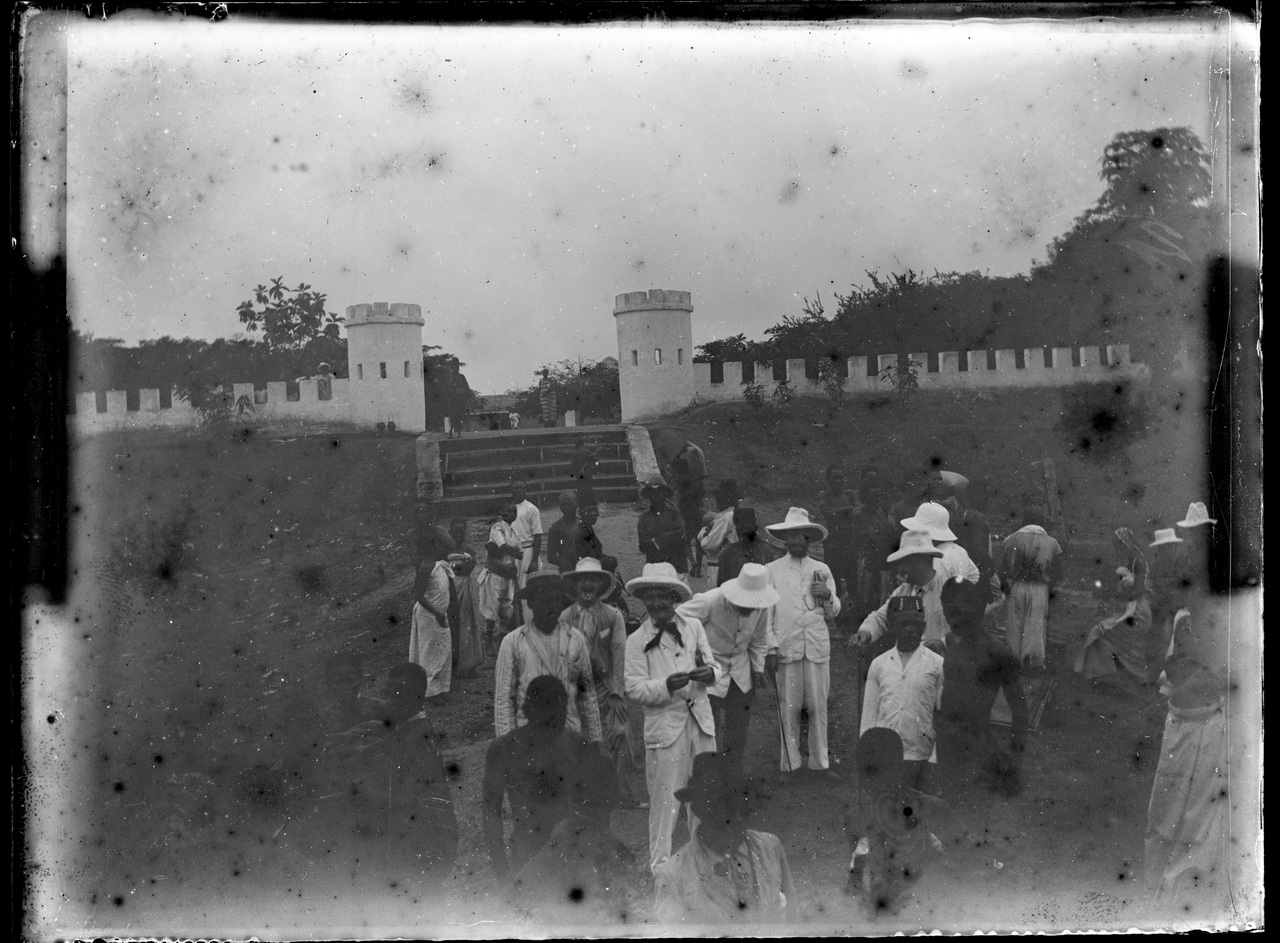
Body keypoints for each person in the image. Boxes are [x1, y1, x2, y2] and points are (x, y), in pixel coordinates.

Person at [327, 663, 459, 892]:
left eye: (394, 696)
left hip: (420, 852)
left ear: (413, 699)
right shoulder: (410, 728)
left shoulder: (416, 741)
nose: (386, 703)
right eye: (386, 694)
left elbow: (405, 801)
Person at [624, 562, 720, 871]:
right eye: (649, 597)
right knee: (665, 802)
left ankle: (703, 862)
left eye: (661, 596)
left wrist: (710, 673)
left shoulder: (693, 626)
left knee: (705, 795)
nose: (656, 603)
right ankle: (660, 869)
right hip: (665, 727)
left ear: (673, 597)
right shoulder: (637, 640)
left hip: (699, 720)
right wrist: (664, 686)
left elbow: (714, 665)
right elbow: (635, 689)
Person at [1144, 594, 1233, 912]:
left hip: (1210, 724)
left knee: (1198, 814)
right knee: (1166, 808)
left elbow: (1231, 677)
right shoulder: (1184, 619)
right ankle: (1158, 889)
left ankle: (1181, 891)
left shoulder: (1231, 623)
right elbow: (1171, 673)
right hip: (1183, 723)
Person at [482, 675, 617, 882]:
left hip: (572, 858)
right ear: (528, 711)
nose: (553, 722)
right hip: (528, 858)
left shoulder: (579, 746)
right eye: (546, 714)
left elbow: (598, 812)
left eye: (559, 712)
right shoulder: (504, 750)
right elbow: (491, 814)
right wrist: (502, 874)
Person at [653, 751, 796, 926]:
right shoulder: (674, 875)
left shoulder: (770, 847)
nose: (740, 817)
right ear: (703, 810)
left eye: (743, 804)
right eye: (727, 808)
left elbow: (794, 922)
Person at [676, 562, 780, 780]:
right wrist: (692, 651)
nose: (749, 608)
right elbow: (677, 620)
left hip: (740, 672)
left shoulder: (762, 607)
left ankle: (732, 776)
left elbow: (760, 640)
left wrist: (758, 668)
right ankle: (703, 777)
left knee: (738, 729)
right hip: (709, 670)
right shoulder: (711, 601)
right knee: (707, 727)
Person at [936, 578, 1028, 817]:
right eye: (948, 613)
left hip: (978, 745)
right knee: (945, 814)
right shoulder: (946, 644)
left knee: (975, 817)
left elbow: (1019, 709)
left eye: (959, 613)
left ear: (977, 610)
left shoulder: (996, 652)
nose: (952, 619)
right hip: (944, 743)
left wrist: (1016, 756)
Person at [764, 507, 841, 776]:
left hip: (817, 647)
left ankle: (820, 763)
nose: (796, 541)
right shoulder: (771, 570)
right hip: (787, 646)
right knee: (790, 707)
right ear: (785, 539)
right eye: (791, 536)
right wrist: (771, 648)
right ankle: (790, 764)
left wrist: (828, 595)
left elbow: (834, 611)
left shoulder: (821, 569)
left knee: (818, 706)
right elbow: (767, 614)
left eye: (801, 536)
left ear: (809, 538)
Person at [844, 727, 951, 918]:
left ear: (899, 767)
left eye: (876, 771)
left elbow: (963, 870)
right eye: (865, 770)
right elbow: (855, 885)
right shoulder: (856, 818)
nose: (869, 781)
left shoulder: (933, 809)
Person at [559, 558, 638, 805]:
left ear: (600, 585)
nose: (587, 585)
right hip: (577, 687)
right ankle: (581, 794)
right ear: (575, 585)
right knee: (577, 739)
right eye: (582, 579)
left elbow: (619, 653)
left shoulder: (613, 615)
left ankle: (620, 793)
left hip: (606, 686)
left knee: (621, 733)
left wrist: (617, 691)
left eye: (592, 580)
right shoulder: (565, 616)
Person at [494, 570, 603, 742]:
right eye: (544, 601)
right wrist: (506, 745)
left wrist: (594, 740)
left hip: (569, 735)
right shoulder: (513, 642)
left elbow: (587, 695)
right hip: (529, 739)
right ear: (530, 603)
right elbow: (504, 699)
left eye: (555, 600)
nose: (551, 606)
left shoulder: (575, 639)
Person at [860, 597, 945, 794]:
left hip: (921, 757)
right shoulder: (879, 665)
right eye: (903, 624)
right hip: (886, 756)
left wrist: (933, 758)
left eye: (915, 625)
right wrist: (867, 755)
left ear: (923, 626)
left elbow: (943, 717)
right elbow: (869, 717)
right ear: (892, 627)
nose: (909, 630)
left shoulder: (937, 665)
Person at [1074, 527, 1155, 686]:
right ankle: (1103, 675)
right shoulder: (1129, 561)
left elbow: (1137, 592)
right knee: (1101, 634)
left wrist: (1111, 595)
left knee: (1099, 631)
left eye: (1118, 546)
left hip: (1139, 612)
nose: (1116, 550)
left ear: (1125, 544)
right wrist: (1106, 593)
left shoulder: (1138, 561)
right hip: (1131, 609)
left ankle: (1103, 676)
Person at [850, 530, 948, 654]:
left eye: (906, 561)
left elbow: (965, 631)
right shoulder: (903, 591)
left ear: (921, 561)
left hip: (938, 667)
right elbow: (881, 617)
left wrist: (943, 643)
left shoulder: (948, 591)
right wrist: (866, 632)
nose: (902, 567)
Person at [997, 510, 1063, 672]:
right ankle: (1032, 665)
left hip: (1018, 586)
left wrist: (1005, 587)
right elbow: (1058, 572)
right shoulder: (1052, 543)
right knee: (1035, 625)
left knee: (1015, 624)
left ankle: (1014, 661)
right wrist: (1050, 590)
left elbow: (1003, 569)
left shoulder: (1013, 539)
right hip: (1040, 588)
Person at [409, 526, 458, 701]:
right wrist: (436, 612)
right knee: (430, 652)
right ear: (428, 548)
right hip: (429, 615)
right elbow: (419, 596)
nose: (440, 548)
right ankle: (430, 691)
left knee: (443, 650)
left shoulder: (440, 565)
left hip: (440, 613)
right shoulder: (426, 567)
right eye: (435, 546)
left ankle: (441, 688)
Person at [477, 503, 521, 655]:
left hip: (508, 574)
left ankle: (501, 640)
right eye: (508, 511)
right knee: (492, 607)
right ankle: (488, 641)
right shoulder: (497, 528)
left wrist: (513, 561)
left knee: (506, 608)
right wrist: (513, 553)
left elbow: (519, 552)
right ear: (502, 513)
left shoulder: (514, 532)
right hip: (496, 572)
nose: (512, 514)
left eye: (514, 512)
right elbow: (502, 547)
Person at [901, 501, 980, 584]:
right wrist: (962, 593)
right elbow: (974, 575)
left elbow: (934, 592)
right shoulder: (959, 550)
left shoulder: (934, 559)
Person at [447, 518, 485, 679]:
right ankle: (454, 666)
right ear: (450, 533)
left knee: (468, 623)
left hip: (465, 586)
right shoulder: (444, 549)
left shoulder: (468, 549)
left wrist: (455, 566)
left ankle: (469, 665)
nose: (458, 535)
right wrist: (459, 565)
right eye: (455, 532)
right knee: (452, 624)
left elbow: (469, 568)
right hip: (450, 587)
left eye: (461, 532)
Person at [321, 652, 384, 734]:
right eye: (338, 682)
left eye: (351, 680)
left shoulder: (378, 707)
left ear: (360, 679)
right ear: (329, 684)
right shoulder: (324, 717)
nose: (346, 687)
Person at [715, 507, 778, 587]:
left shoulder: (766, 551)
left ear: (755, 527)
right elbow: (721, 586)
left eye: (748, 528)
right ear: (736, 529)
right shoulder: (728, 553)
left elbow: (772, 582)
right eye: (740, 529)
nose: (744, 531)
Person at [670, 441, 708, 572]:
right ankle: (698, 566)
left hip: (684, 512)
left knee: (685, 541)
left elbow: (672, 463)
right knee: (698, 540)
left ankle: (692, 563)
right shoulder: (695, 482)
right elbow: (702, 495)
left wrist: (681, 451)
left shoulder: (678, 483)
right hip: (696, 511)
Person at [637, 481, 688, 575]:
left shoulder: (674, 513)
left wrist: (656, 542)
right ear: (649, 496)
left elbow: (679, 532)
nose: (656, 497)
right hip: (655, 564)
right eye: (652, 494)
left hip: (676, 563)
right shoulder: (644, 518)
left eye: (659, 493)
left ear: (664, 495)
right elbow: (643, 545)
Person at [699, 479, 742, 588]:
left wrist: (704, 532)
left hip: (718, 567)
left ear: (727, 500)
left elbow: (708, 544)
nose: (717, 501)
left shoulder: (726, 518)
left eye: (719, 498)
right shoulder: (733, 515)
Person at [510, 480, 544, 618]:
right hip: (512, 553)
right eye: (516, 488)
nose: (518, 491)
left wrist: (534, 561)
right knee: (511, 591)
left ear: (526, 490)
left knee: (527, 590)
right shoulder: (508, 509)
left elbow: (538, 536)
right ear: (511, 490)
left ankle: (531, 622)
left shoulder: (531, 509)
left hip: (528, 552)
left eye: (521, 488)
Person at [543, 491, 580, 574]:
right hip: (567, 570)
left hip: (585, 567)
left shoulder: (584, 524)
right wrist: (566, 563)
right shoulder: (555, 527)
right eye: (564, 505)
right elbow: (551, 556)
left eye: (570, 504)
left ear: (577, 504)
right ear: (560, 507)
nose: (567, 508)